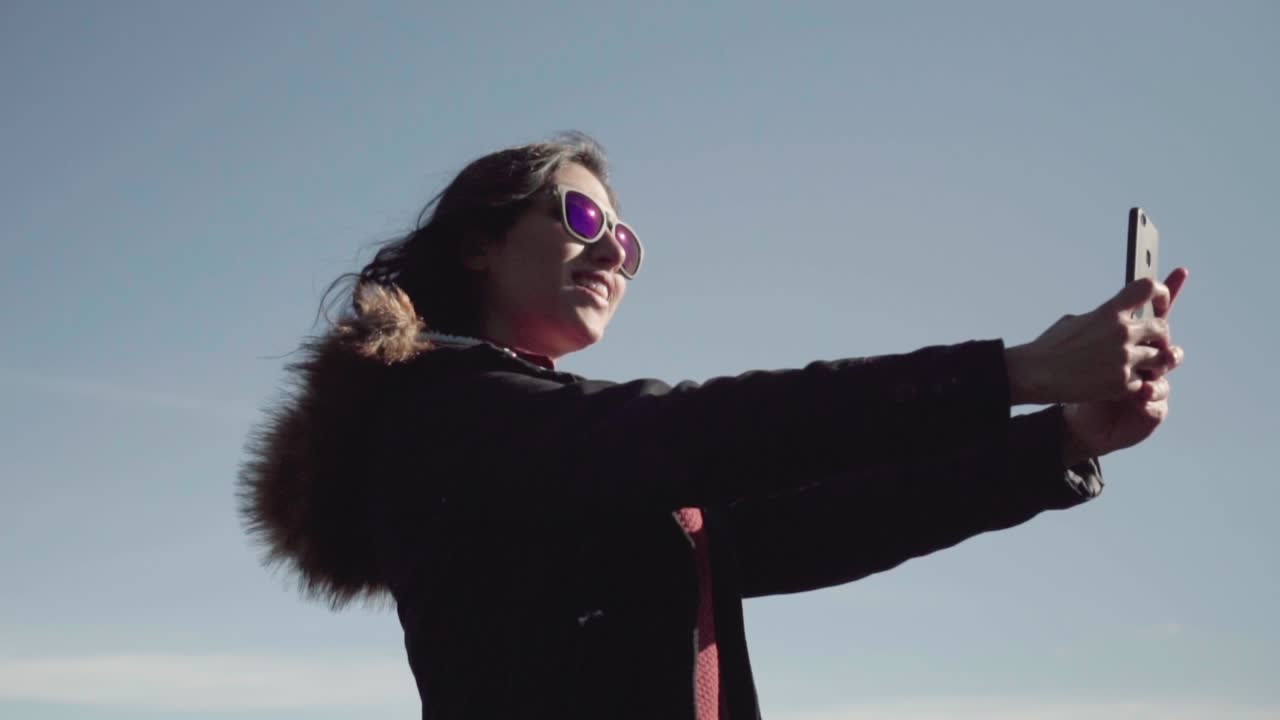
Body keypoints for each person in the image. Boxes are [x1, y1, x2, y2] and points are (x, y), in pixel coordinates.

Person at [238, 132, 1188, 720]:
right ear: (478, 242)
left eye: (628, 240)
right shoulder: (443, 413)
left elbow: (810, 525)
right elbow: (712, 430)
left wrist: (1060, 439)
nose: (612, 251)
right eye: (580, 215)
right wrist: (1014, 370)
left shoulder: (557, 448)